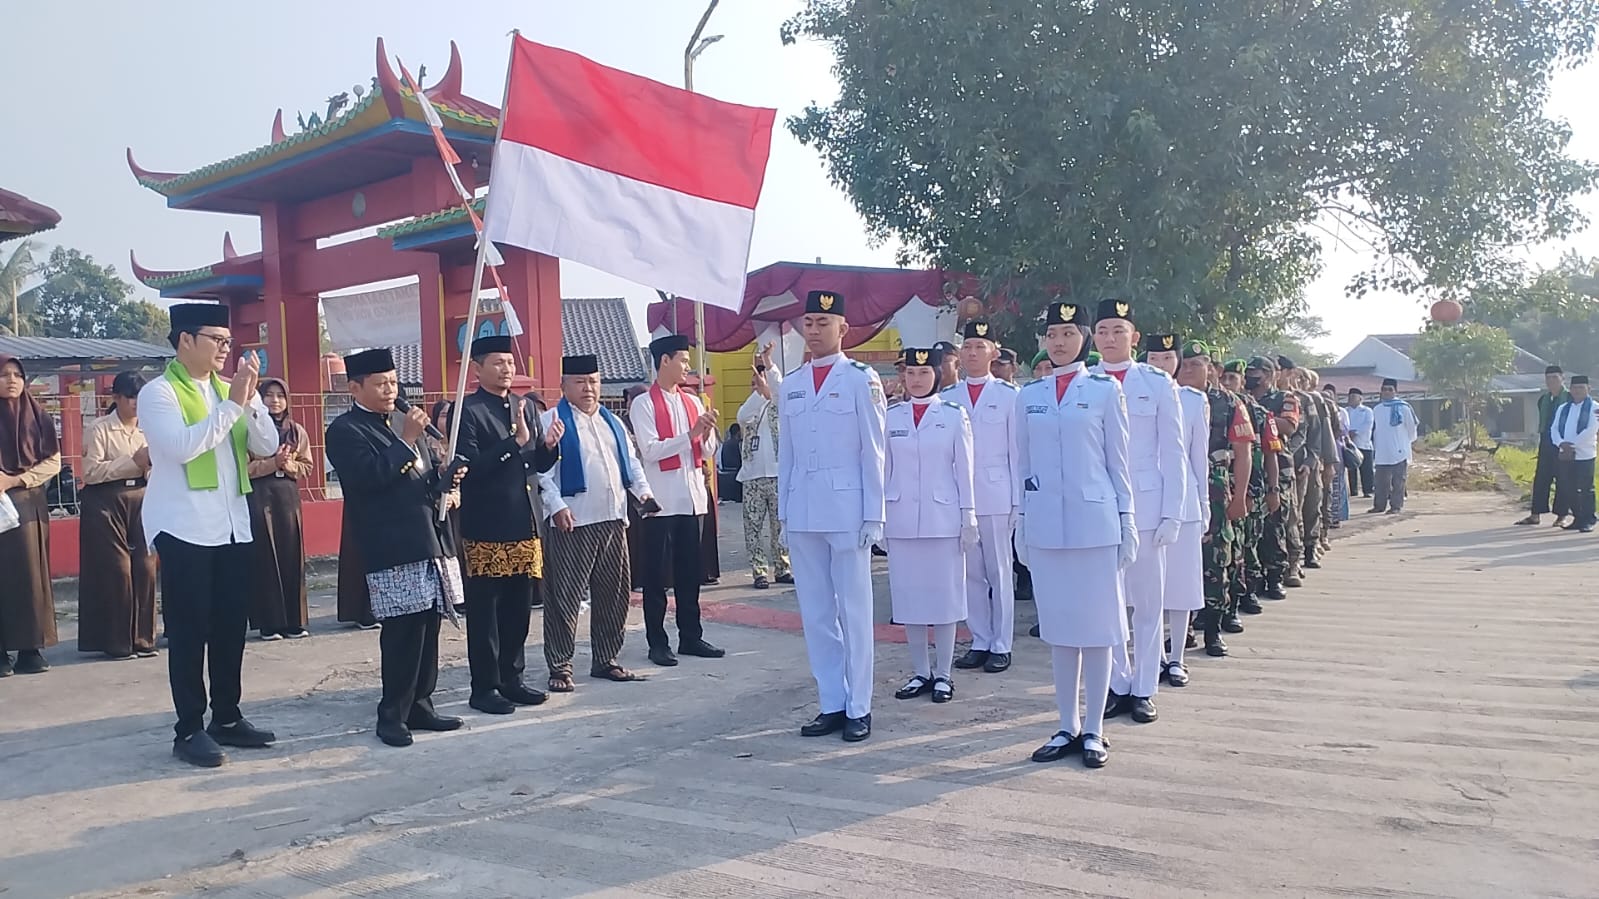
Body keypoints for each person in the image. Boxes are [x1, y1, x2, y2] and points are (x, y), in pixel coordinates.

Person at [138, 303, 281, 766]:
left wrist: (251, 401)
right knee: (188, 630)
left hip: (232, 524)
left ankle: (227, 715)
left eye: (227, 341)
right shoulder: (158, 393)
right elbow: (181, 448)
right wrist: (232, 404)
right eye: (216, 339)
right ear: (185, 340)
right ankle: (189, 729)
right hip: (183, 526)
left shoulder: (231, 389)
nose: (225, 348)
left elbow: (268, 447)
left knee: (229, 627)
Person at [324, 348, 466, 747]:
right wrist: (405, 442)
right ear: (355, 388)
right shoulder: (346, 431)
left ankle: (421, 703)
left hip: (428, 538)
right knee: (402, 631)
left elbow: (418, 481)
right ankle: (392, 713)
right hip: (391, 544)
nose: (391, 390)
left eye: (393, 382)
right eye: (381, 384)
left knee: (428, 626)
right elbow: (369, 480)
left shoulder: (405, 426)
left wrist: (447, 480)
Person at [1020, 300, 1134, 768]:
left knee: (1098, 630)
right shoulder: (1029, 396)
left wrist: (1127, 521)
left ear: (1084, 338)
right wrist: (1021, 521)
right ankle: (1066, 724)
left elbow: (1118, 463)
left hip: (1094, 523)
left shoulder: (1106, 391)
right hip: (1047, 524)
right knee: (1061, 631)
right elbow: (1022, 465)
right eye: (1053, 334)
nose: (1060, 341)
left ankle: (1095, 730)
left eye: (1069, 333)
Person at [780, 290, 887, 742]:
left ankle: (859, 705)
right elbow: (786, 454)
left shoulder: (862, 379)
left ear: (843, 328)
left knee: (855, 611)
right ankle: (832, 701)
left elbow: (875, 451)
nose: (815, 329)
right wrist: (784, 514)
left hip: (848, 509)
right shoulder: (791, 384)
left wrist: (874, 515)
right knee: (817, 613)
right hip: (804, 508)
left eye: (824, 322)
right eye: (808, 321)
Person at [455, 334, 562, 715]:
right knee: (486, 612)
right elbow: (468, 469)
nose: (507, 369)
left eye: (510, 363)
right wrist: (514, 443)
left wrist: (547, 446)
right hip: (486, 523)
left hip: (523, 521)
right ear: (477, 368)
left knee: (519, 608)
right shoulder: (465, 412)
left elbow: (535, 463)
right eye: (498, 362)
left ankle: (512, 679)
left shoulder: (524, 406)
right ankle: (484, 687)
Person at [537, 355, 654, 691]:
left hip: (613, 520)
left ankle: (606, 659)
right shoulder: (551, 421)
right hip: (572, 521)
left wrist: (644, 496)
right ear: (564, 385)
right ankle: (559, 666)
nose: (588, 388)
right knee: (564, 597)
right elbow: (541, 475)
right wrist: (557, 506)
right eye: (580, 382)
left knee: (614, 594)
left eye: (594, 381)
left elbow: (631, 465)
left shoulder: (613, 422)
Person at [1092, 307, 1185, 727]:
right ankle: (1116, 682)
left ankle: (1145, 686)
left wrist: (1173, 512)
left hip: (1147, 507)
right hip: (1096, 507)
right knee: (1105, 604)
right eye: (1103, 331)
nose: (1110, 338)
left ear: (1134, 336)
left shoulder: (1156, 382)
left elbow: (1174, 451)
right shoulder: (1085, 382)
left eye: (1118, 330)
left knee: (1148, 604)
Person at [885, 346, 976, 704]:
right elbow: (884, 469)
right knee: (909, 598)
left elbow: (963, 469)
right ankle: (920, 670)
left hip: (943, 518)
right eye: (911, 373)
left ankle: (944, 673)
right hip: (902, 517)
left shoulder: (953, 415)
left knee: (944, 598)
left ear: (936, 375)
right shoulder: (892, 417)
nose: (917, 379)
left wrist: (968, 515)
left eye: (924, 373)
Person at [630, 334, 725, 667]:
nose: (687, 366)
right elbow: (652, 450)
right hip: (661, 502)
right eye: (682, 360)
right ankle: (657, 641)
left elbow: (707, 451)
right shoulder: (643, 404)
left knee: (689, 573)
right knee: (656, 577)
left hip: (692, 499)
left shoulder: (693, 402)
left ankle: (691, 636)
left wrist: (708, 430)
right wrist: (691, 434)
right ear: (664, 361)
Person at [945, 320, 1021, 674]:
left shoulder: (1009, 396)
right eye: (968, 347)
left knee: (999, 571)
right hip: (960, 497)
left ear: (994, 351)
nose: (973, 353)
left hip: (996, 494)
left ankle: (1002, 643)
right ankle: (979, 639)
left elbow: (1017, 453)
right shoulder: (947, 399)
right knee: (970, 572)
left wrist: (1018, 503)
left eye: (980, 346)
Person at [77, 371, 159, 661]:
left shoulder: (148, 429)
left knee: (146, 566)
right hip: (105, 501)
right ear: (117, 398)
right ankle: (116, 641)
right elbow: (90, 472)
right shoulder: (99, 429)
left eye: (140, 398)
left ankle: (143, 638)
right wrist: (131, 462)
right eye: (131, 397)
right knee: (117, 569)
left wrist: (148, 469)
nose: (136, 404)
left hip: (142, 498)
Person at [0, 354, 62, 677]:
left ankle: (30, 649)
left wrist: (15, 479)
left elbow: (53, 461)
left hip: (29, 506)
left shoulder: (38, 417)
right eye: (4, 374)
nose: (11, 380)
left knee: (30, 577)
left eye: (17, 374)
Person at [1159, 340, 1216, 686]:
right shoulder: (1131, 393)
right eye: (1154, 358)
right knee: (1142, 591)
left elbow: (1199, 458)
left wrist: (1205, 502)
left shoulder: (1194, 401)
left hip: (1185, 503)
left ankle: (1177, 657)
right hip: (1145, 503)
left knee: (1180, 585)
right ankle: (1153, 657)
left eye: (1168, 357)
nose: (1162, 363)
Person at [1198, 358, 1261, 657]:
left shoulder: (1229, 402)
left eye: (1199, 365)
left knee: (1219, 559)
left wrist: (1240, 497)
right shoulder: (1168, 395)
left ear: (1213, 369)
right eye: (1185, 365)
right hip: (1175, 488)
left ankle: (1215, 627)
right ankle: (1182, 630)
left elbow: (1244, 453)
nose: (1190, 370)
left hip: (1217, 490)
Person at [245, 378, 313, 641]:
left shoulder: (296, 431)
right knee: (264, 557)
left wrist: (287, 466)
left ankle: (294, 621)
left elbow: (307, 466)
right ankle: (269, 623)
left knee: (292, 556)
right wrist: (272, 463)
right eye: (268, 395)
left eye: (280, 396)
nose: (274, 401)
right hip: (260, 494)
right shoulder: (249, 429)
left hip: (287, 496)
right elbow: (243, 468)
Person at [736, 342, 791, 589]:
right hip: (753, 477)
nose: (759, 378)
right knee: (754, 527)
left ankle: (782, 567)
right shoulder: (753, 403)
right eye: (756, 375)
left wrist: (770, 387)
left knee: (780, 525)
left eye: (763, 374)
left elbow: (779, 393)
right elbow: (741, 418)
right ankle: (759, 571)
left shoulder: (781, 403)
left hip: (779, 476)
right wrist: (759, 393)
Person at [1517, 366, 1572, 526]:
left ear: (1562, 378)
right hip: (1546, 442)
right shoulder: (1544, 399)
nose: (1551, 381)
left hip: (1563, 443)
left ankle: (1561, 516)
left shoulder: (1569, 398)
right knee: (1541, 478)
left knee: (1563, 479)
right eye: (1548, 378)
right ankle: (1535, 515)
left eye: (1555, 377)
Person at [1549, 375, 1596, 532]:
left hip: (1585, 454)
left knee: (1585, 488)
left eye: (1581, 388)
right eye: (1574, 388)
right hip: (1565, 454)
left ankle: (1589, 518)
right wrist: (1561, 443)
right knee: (1569, 487)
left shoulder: (1595, 408)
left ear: (1588, 389)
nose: (1577, 391)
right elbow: (1554, 429)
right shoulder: (1564, 408)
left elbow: (1591, 430)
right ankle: (1578, 517)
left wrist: (1573, 445)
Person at [1370, 377, 1418, 514]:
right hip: (1382, 451)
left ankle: (1396, 506)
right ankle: (1379, 505)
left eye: (1390, 390)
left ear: (1396, 391)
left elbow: (1411, 429)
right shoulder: (1377, 409)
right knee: (1380, 482)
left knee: (1398, 481)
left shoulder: (1404, 408)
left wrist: (1403, 442)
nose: (1386, 392)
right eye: (1384, 390)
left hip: (1399, 450)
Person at [1345, 387, 1375, 498]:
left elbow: (1367, 425)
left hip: (1364, 443)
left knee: (1366, 469)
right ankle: (1353, 491)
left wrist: (1355, 432)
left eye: (1354, 396)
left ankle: (1368, 490)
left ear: (1360, 398)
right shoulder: (1345, 411)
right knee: (1351, 469)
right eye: (1350, 397)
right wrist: (1348, 434)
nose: (1351, 399)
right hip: (1349, 444)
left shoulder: (1367, 411)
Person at [718, 422, 743, 503]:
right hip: (736, 476)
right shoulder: (740, 444)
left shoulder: (724, 444)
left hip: (724, 475)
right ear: (739, 432)